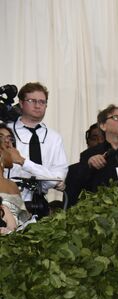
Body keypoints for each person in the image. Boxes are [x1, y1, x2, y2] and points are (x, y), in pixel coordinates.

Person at [5, 82, 69, 217]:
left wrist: (23, 162)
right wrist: (48, 177)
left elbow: (57, 179)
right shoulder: (6, 132)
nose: (38, 105)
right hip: (8, 202)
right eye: (32, 101)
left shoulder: (54, 137)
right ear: (21, 103)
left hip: (40, 204)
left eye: (42, 101)